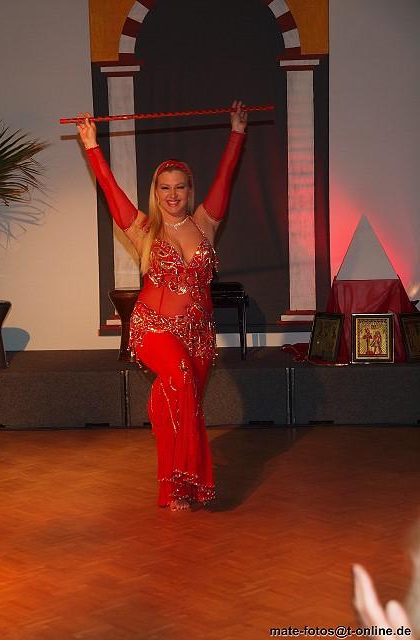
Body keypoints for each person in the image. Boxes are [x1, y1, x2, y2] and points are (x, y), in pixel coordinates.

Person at [77, 101, 247, 511]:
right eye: (165, 188)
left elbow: (225, 176)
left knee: (183, 403)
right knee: (180, 377)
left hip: (199, 335)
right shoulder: (144, 229)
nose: (172, 195)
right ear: (156, 192)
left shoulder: (205, 223)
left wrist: (237, 133)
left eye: (180, 187)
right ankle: (177, 485)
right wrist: (91, 147)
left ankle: (181, 486)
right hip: (154, 327)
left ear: (190, 190)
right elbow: (110, 190)